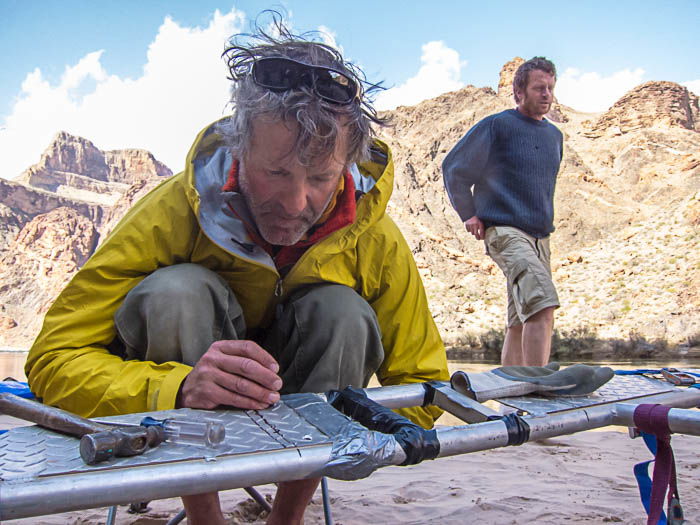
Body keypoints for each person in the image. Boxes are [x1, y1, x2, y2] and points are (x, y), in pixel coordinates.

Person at [26, 18, 448, 525]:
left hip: (300, 407)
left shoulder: (373, 235)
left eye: (320, 178)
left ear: (347, 165)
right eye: (275, 173)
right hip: (188, 402)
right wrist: (175, 389)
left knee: (343, 313)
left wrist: (344, 413)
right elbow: (53, 360)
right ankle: (205, 515)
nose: (297, 203)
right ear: (238, 147)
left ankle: (286, 517)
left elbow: (423, 383)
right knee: (177, 292)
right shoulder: (171, 211)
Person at [442, 57, 563, 368]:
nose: (546, 94)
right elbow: (454, 168)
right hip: (505, 231)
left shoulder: (554, 137)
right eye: (539, 88)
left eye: (550, 88)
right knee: (541, 304)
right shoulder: (498, 126)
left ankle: (509, 389)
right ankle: (538, 386)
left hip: (540, 239)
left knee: (520, 319)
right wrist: (468, 213)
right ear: (518, 92)